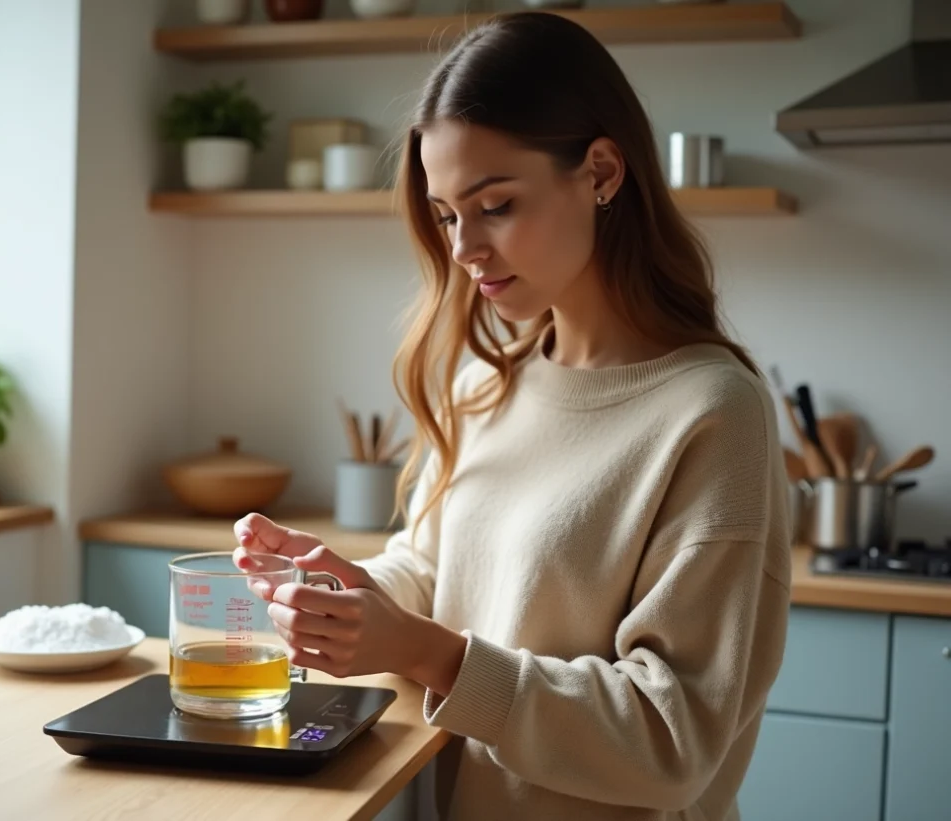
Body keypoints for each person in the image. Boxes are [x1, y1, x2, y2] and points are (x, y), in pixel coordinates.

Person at [233, 11, 791, 821]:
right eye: (448, 215)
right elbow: (431, 571)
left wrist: (424, 650)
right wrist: (343, 592)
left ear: (601, 171)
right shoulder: (484, 387)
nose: (463, 248)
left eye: (495, 204)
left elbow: (674, 741)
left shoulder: (710, 413)